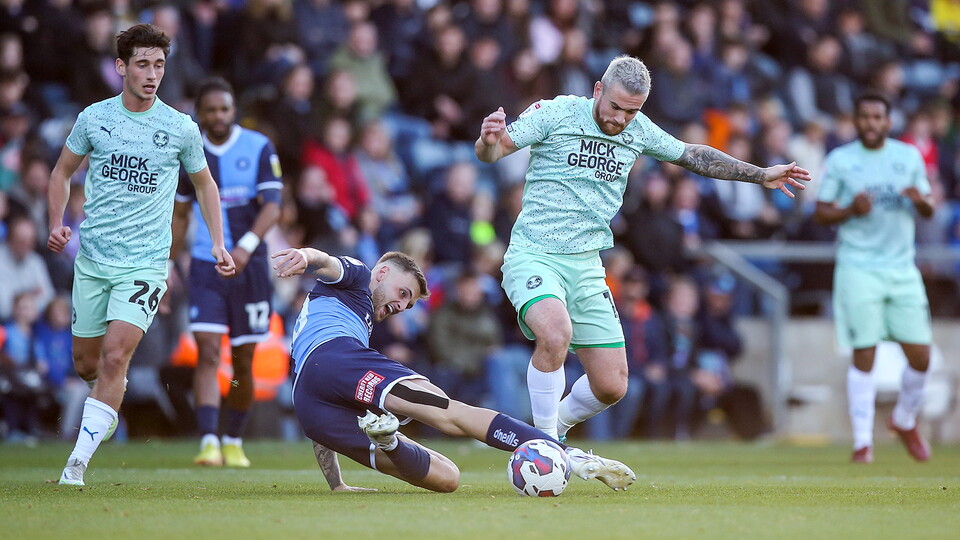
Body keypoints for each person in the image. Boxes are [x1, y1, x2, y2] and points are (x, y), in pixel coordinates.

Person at [475, 54, 810, 441]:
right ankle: (543, 445)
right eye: (615, 106)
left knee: (612, 385)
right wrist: (487, 140)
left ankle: (552, 429)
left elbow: (694, 155)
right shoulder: (557, 112)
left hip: (586, 265)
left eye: (630, 112)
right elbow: (494, 151)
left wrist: (761, 174)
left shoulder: (640, 130)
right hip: (535, 254)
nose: (619, 119)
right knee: (555, 333)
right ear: (598, 90)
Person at [272, 247, 635, 493]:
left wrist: (337, 483)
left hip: (309, 400)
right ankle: (567, 454)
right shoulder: (358, 277)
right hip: (336, 358)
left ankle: (389, 440)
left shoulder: (349, 316)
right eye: (402, 293)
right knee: (449, 412)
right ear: (381, 272)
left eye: (408, 303)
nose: (401, 306)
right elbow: (326, 262)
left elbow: (322, 393)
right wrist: (305, 256)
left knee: (447, 478)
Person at [48, 24, 236, 486]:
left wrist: (216, 242)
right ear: (121, 68)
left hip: (146, 264)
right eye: (143, 64)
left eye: (159, 65)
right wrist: (55, 221)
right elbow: (61, 172)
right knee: (87, 364)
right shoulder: (94, 119)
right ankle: (111, 397)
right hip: (93, 260)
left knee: (114, 357)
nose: (152, 74)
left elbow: (205, 184)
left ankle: (76, 465)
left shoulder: (179, 128)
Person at [813, 93, 934, 464]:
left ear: (888, 121)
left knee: (921, 356)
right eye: (864, 117)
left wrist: (920, 201)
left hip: (901, 267)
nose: (870, 123)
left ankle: (904, 419)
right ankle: (863, 444)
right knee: (865, 352)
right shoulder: (841, 160)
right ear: (855, 120)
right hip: (858, 266)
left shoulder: (908, 157)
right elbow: (820, 213)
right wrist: (850, 210)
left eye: (877, 117)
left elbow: (929, 209)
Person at [170, 77, 282, 468]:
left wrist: (245, 247)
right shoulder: (190, 152)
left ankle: (233, 436)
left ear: (233, 111)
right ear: (198, 113)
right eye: (211, 110)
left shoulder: (257, 146)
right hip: (206, 266)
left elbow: (273, 206)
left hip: (248, 267)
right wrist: (168, 263)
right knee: (208, 353)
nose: (218, 116)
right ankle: (208, 441)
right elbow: (181, 212)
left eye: (225, 109)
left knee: (243, 361)